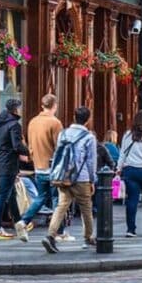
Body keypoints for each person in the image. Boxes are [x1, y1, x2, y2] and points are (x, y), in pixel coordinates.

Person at [42, 106, 98, 253]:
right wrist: (93, 180)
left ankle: (50, 235)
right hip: (82, 177)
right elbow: (91, 161)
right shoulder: (89, 137)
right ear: (88, 120)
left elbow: (58, 154)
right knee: (86, 208)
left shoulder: (63, 134)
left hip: (64, 176)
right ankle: (88, 236)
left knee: (61, 207)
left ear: (74, 117)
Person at [14, 94, 63, 242]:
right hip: (53, 166)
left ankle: (23, 221)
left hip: (38, 165)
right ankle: (58, 232)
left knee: (41, 197)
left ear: (42, 105)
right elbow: (59, 148)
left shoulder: (32, 122)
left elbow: (29, 145)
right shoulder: (55, 123)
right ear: (54, 105)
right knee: (56, 199)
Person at [0, 99, 28, 239]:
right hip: (9, 164)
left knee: (11, 195)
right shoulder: (14, 125)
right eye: (20, 108)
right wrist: (29, 152)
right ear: (15, 110)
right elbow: (16, 145)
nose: (21, 111)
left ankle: (19, 223)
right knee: (3, 195)